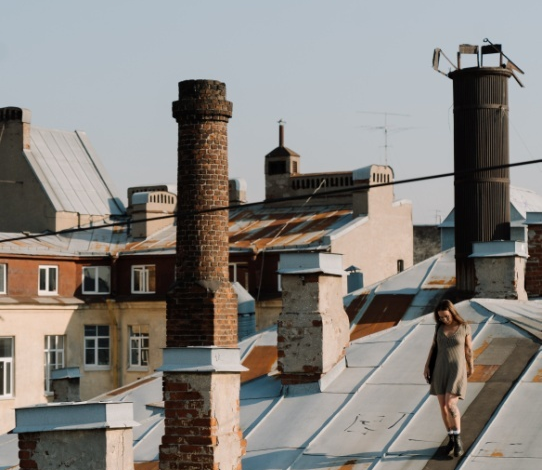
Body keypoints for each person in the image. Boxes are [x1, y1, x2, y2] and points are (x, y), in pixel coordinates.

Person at [424, 299, 473, 458]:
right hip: (440, 369)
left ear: (452, 312)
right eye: (440, 317)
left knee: (451, 404)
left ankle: (458, 440)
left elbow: (468, 350)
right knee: (443, 407)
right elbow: (433, 347)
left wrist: (471, 366)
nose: (443, 319)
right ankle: (451, 438)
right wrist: (427, 366)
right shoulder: (439, 327)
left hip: (457, 370)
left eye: (446, 316)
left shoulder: (464, 327)